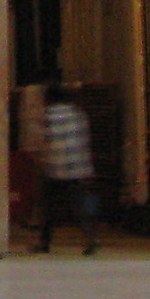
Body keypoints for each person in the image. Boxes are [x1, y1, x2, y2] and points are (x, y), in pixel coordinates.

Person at [37, 86, 102, 256]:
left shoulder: (48, 114)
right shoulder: (79, 114)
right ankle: (92, 237)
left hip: (56, 168)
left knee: (48, 207)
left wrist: (42, 161)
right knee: (80, 206)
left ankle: (44, 242)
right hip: (80, 168)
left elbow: (46, 140)